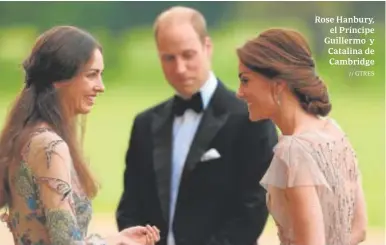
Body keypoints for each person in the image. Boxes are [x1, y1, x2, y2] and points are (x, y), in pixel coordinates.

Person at [115, 6, 278, 245]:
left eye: (188, 55)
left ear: (207, 47)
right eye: (168, 58)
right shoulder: (144, 124)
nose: (179, 68)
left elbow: (253, 208)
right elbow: (130, 207)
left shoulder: (250, 118)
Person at [0, 26, 160, 245]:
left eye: (100, 75)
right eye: (91, 75)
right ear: (59, 78)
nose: (101, 87)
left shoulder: (27, 135)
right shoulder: (50, 146)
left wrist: (115, 240)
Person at [236, 28, 368, 245]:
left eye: (246, 80)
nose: (239, 92)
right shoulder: (333, 131)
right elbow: (359, 230)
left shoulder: (293, 150)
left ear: (278, 85)